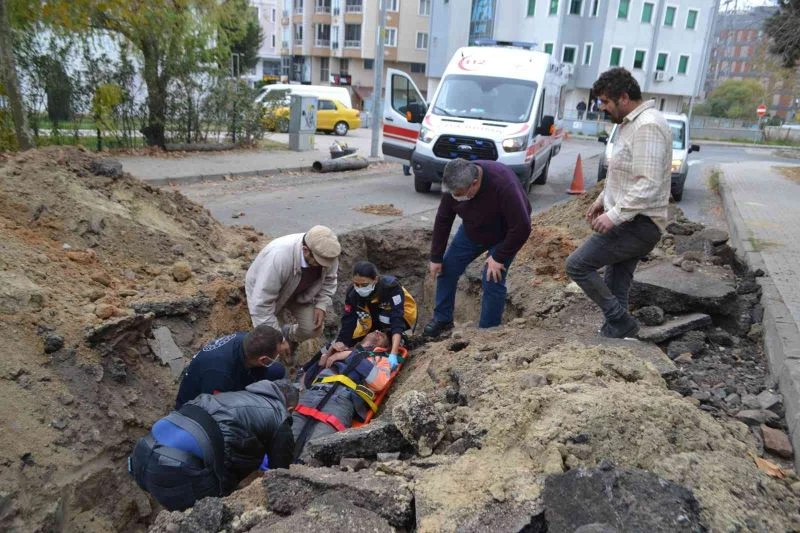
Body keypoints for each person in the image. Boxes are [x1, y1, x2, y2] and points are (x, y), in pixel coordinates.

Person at [565, 67, 671, 339]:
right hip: (632, 219)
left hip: (637, 223)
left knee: (577, 265)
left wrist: (614, 215)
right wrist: (603, 199)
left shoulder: (647, 126)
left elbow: (648, 182)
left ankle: (622, 323)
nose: (602, 108)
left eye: (605, 102)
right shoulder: (630, 124)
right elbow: (626, 174)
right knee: (616, 284)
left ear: (623, 98)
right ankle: (617, 337)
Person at [129, 379, 298, 511]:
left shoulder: (236, 395)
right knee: (214, 513)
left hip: (142, 452)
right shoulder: (279, 416)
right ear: (290, 408)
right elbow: (281, 473)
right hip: (173, 467)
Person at [422, 158, 532, 337]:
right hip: (472, 230)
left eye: (459, 194)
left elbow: (522, 227)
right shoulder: (455, 182)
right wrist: (436, 257)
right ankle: (443, 320)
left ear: (474, 184)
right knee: (447, 268)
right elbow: (443, 218)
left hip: (504, 235)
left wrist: (499, 257)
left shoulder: (503, 184)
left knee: (492, 277)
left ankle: (487, 332)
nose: (455, 197)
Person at [292, 330, 392, 456]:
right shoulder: (342, 349)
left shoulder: (381, 359)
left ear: (385, 347)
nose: (377, 332)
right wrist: (327, 356)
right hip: (313, 394)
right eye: (375, 331)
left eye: (382, 335)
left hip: (342, 400)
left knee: (313, 451)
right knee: (287, 442)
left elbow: (379, 382)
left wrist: (349, 355)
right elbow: (309, 381)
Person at [245, 225, 341, 348]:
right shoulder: (278, 258)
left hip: (300, 293)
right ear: (305, 250)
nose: (323, 266)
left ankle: (289, 335)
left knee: (313, 329)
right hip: (270, 293)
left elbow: (330, 279)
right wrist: (278, 341)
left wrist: (321, 304)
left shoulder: (327, 254)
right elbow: (262, 304)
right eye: (319, 262)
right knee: (269, 343)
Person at [175, 325, 289, 409]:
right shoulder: (220, 374)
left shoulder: (246, 340)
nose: (279, 356)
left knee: (278, 371)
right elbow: (214, 410)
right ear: (263, 360)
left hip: (232, 373)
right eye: (277, 354)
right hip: (197, 405)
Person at [330, 260, 417, 369]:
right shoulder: (352, 293)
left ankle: (398, 340)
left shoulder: (390, 287)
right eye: (356, 284)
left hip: (402, 313)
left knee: (385, 321)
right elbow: (349, 320)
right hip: (373, 315)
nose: (360, 288)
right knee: (355, 335)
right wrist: (342, 342)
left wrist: (394, 353)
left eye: (364, 284)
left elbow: (397, 319)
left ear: (375, 279)